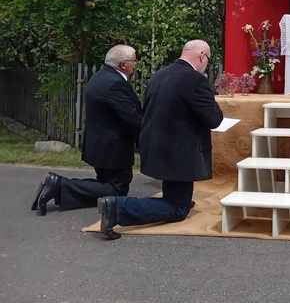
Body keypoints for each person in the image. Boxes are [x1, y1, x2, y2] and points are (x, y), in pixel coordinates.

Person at [97, 40, 224, 240]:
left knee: (177, 198)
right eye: (207, 59)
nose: (206, 64)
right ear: (202, 55)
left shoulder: (159, 75)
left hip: (157, 146)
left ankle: (176, 200)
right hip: (179, 152)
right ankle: (117, 207)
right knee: (177, 210)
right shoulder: (195, 80)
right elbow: (214, 119)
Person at [31, 45, 142, 215]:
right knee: (116, 191)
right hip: (113, 148)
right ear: (123, 64)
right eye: (134, 61)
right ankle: (59, 185)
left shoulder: (98, 77)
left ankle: (58, 188)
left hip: (99, 144)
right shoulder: (115, 83)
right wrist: (145, 138)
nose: (136, 64)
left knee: (105, 184)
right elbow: (131, 118)